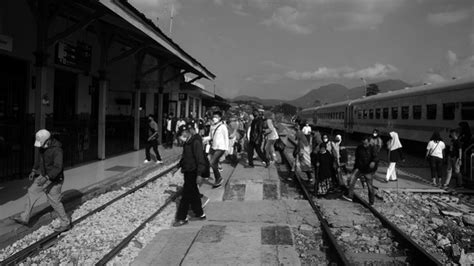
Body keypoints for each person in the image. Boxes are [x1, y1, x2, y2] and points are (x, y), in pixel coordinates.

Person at [13, 129, 71, 232]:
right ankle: (24, 217)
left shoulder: (57, 150)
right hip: (44, 176)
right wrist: (33, 170)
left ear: (48, 140)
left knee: (55, 202)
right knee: (32, 191)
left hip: (55, 179)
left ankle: (65, 223)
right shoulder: (43, 147)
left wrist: (47, 178)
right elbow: (40, 160)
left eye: (42, 143)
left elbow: (58, 167)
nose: (40, 146)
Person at [174, 123, 207, 226]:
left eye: (183, 133)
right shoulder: (187, 142)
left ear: (188, 132)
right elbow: (185, 156)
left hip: (193, 171)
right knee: (193, 193)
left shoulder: (195, 142)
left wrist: (199, 174)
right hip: (187, 170)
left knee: (186, 195)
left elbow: (200, 159)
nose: (181, 136)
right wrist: (179, 165)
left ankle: (181, 217)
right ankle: (200, 214)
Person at [343, 135, 378, 205]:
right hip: (359, 168)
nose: (364, 145)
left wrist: (373, 162)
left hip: (368, 170)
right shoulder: (359, 148)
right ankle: (350, 196)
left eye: (366, 143)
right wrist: (354, 168)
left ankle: (371, 202)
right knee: (351, 180)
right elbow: (357, 159)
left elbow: (376, 158)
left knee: (369, 186)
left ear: (369, 142)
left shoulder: (372, 148)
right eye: (363, 143)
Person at [205, 111, 229, 188]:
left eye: (216, 117)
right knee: (211, 162)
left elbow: (226, 137)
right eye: (214, 117)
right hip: (213, 147)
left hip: (221, 147)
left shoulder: (223, 126)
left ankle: (218, 178)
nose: (214, 118)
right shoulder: (212, 127)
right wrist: (203, 139)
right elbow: (210, 137)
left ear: (220, 118)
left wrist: (227, 148)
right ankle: (218, 178)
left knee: (212, 162)